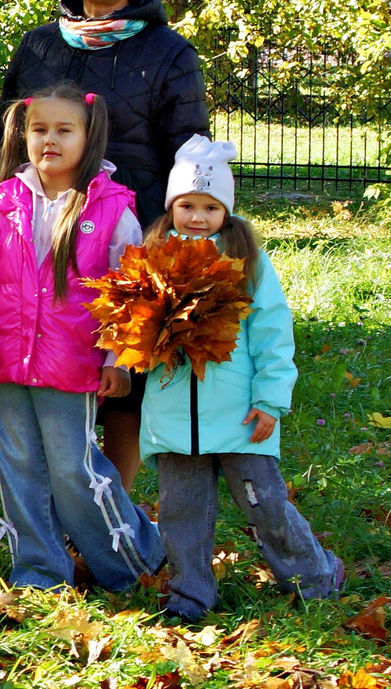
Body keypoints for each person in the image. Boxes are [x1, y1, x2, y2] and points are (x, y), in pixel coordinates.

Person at [0, 0, 209, 486]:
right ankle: (56, 502)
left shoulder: (169, 56)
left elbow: (190, 159)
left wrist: (174, 245)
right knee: (49, 375)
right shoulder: (38, 49)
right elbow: (4, 149)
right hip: (40, 245)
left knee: (120, 388)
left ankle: (112, 510)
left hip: (129, 243)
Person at [0, 83, 167, 594]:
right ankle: (39, 573)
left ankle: (134, 560)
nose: (49, 139)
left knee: (72, 472)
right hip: (7, 363)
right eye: (39, 130)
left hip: (71, 364)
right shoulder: (2, 204)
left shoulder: (110, 210)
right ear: (23, 135)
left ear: (88, 134)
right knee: (19, 472)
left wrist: (117, 360)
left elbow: (131, 295)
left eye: (63, 129)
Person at [143, 137, 344, 620]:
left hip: (237, 414)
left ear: (226, 211)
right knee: (181, 513)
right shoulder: (149, 259)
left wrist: (271, 399)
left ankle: (315, 574)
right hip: (173, 417)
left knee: (264, 502)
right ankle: (191, 595)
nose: (197, 216)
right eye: (186, 205)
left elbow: (273, 332)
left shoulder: (246, 263)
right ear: (171, 207)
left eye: (210, 206)